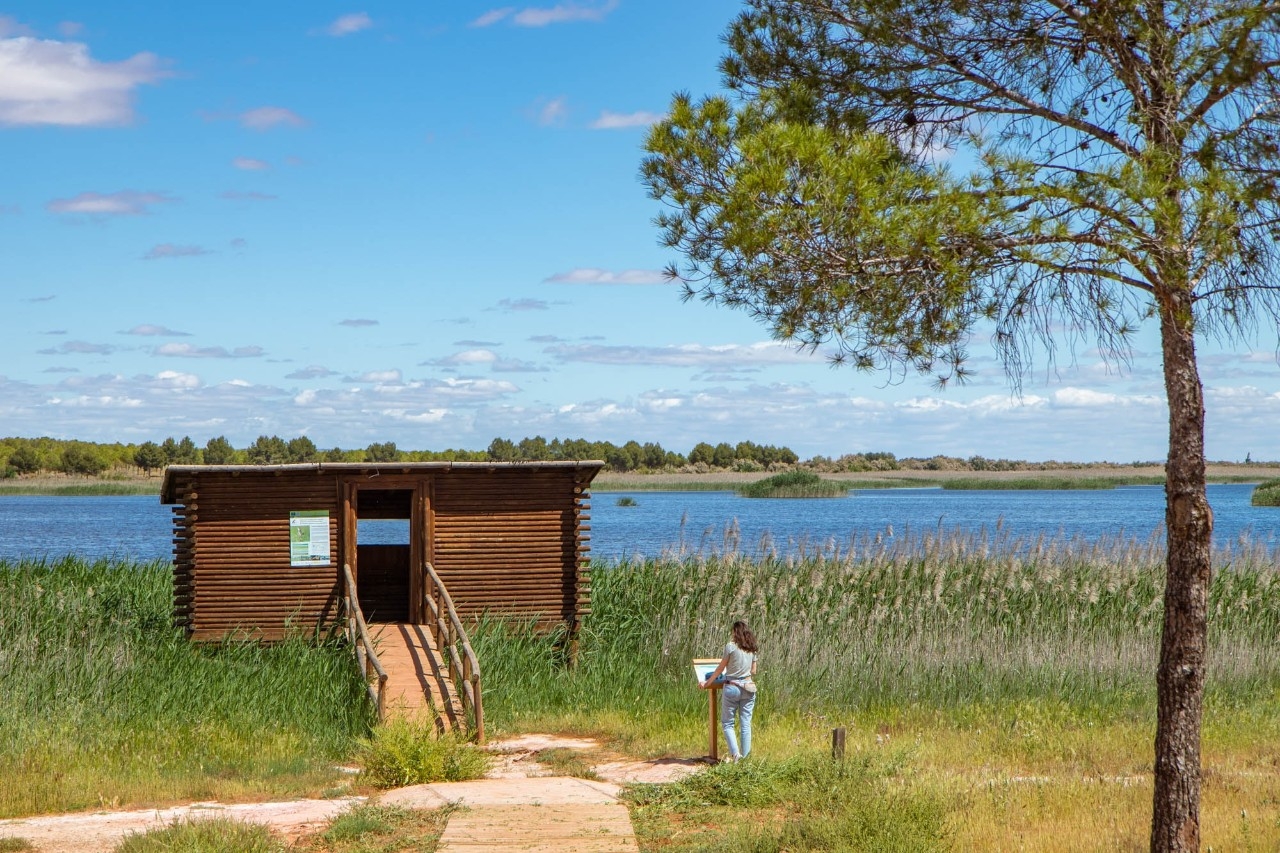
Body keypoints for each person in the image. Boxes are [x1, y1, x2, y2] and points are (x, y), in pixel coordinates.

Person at [700, 619, 758, 761]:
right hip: (748, 687)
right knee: (745, 724)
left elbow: (721, 668)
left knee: (727, 723)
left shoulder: (730, 647)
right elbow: (754, 670)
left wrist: (707, 683)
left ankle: (736, 755)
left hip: (732, 686)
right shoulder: (752, 648)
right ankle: (746, 758)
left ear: (735, 632)